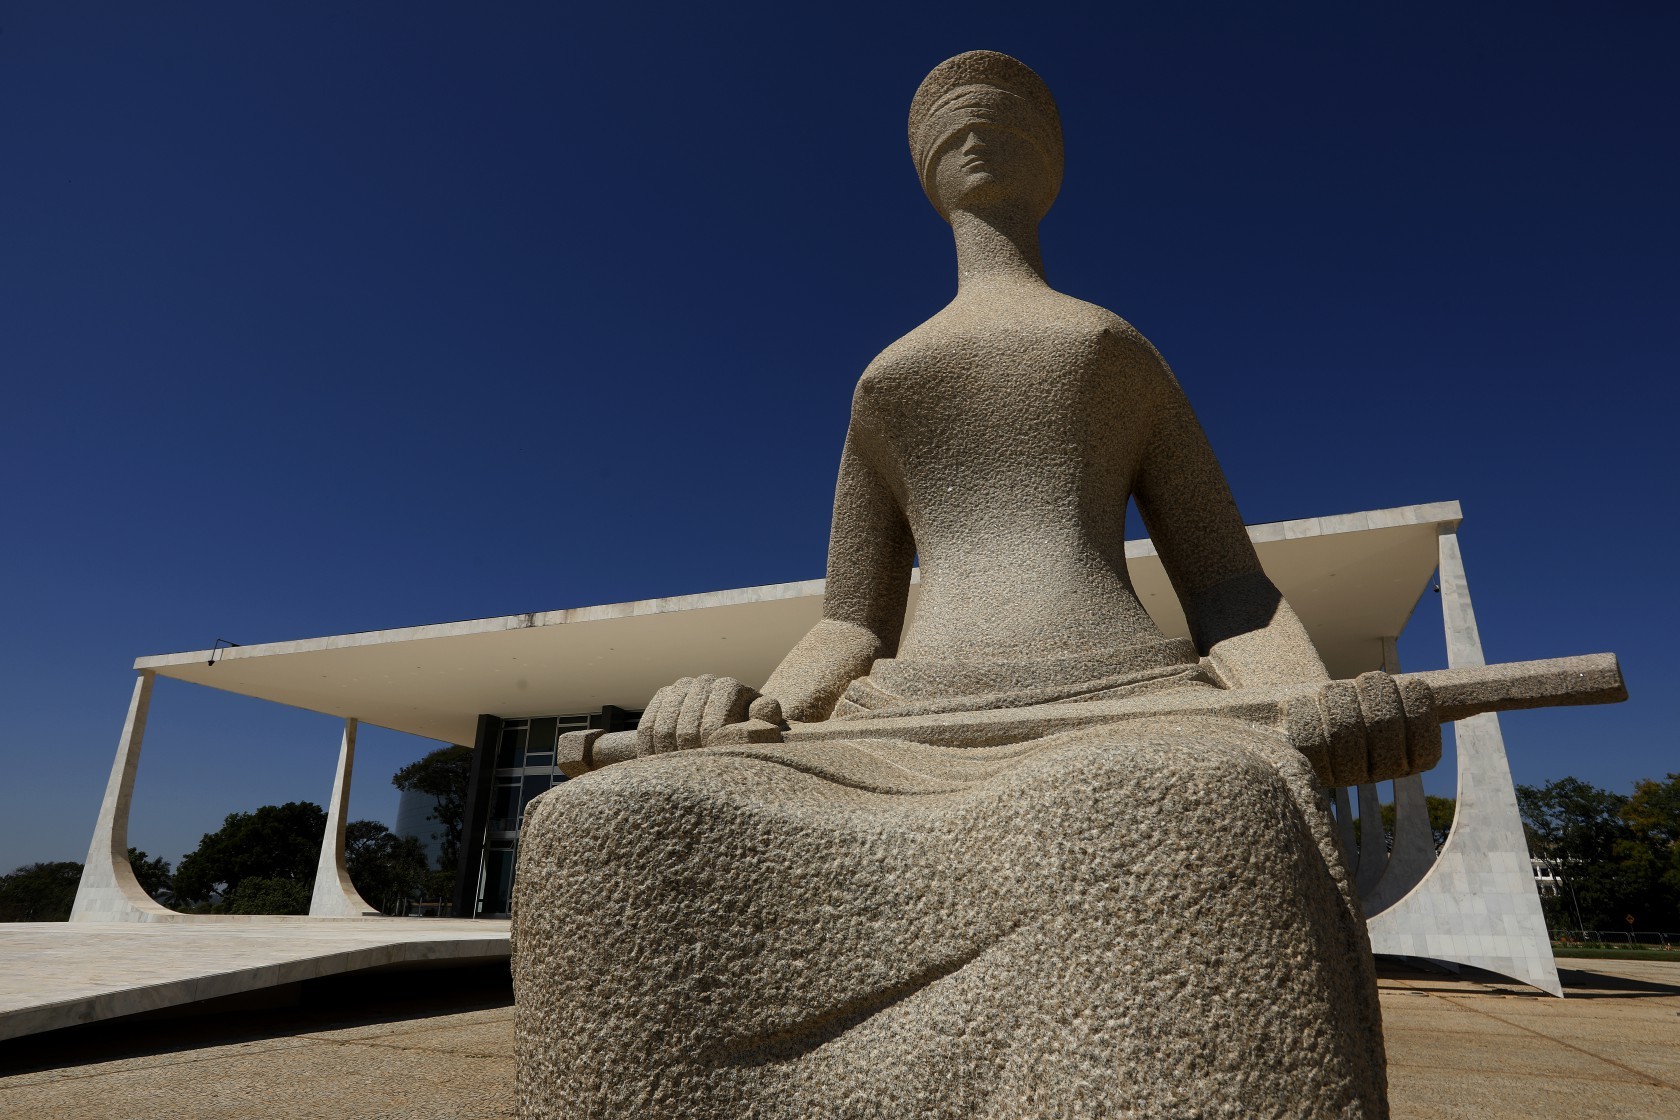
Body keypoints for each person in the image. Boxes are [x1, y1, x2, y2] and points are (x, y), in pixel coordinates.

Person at [515, 51, 1397, 1119]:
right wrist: (754, 708)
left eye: (1007, 118)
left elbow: (1229, 589)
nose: (977, 132)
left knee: (1176, 805)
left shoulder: (1111, 346)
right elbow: (851, 619)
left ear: (1054, 163)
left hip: (1122, 706)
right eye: (952, 124)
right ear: (923, 171)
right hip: (894, 727)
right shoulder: (886, 379)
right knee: (612, 826)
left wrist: (1310, 698)